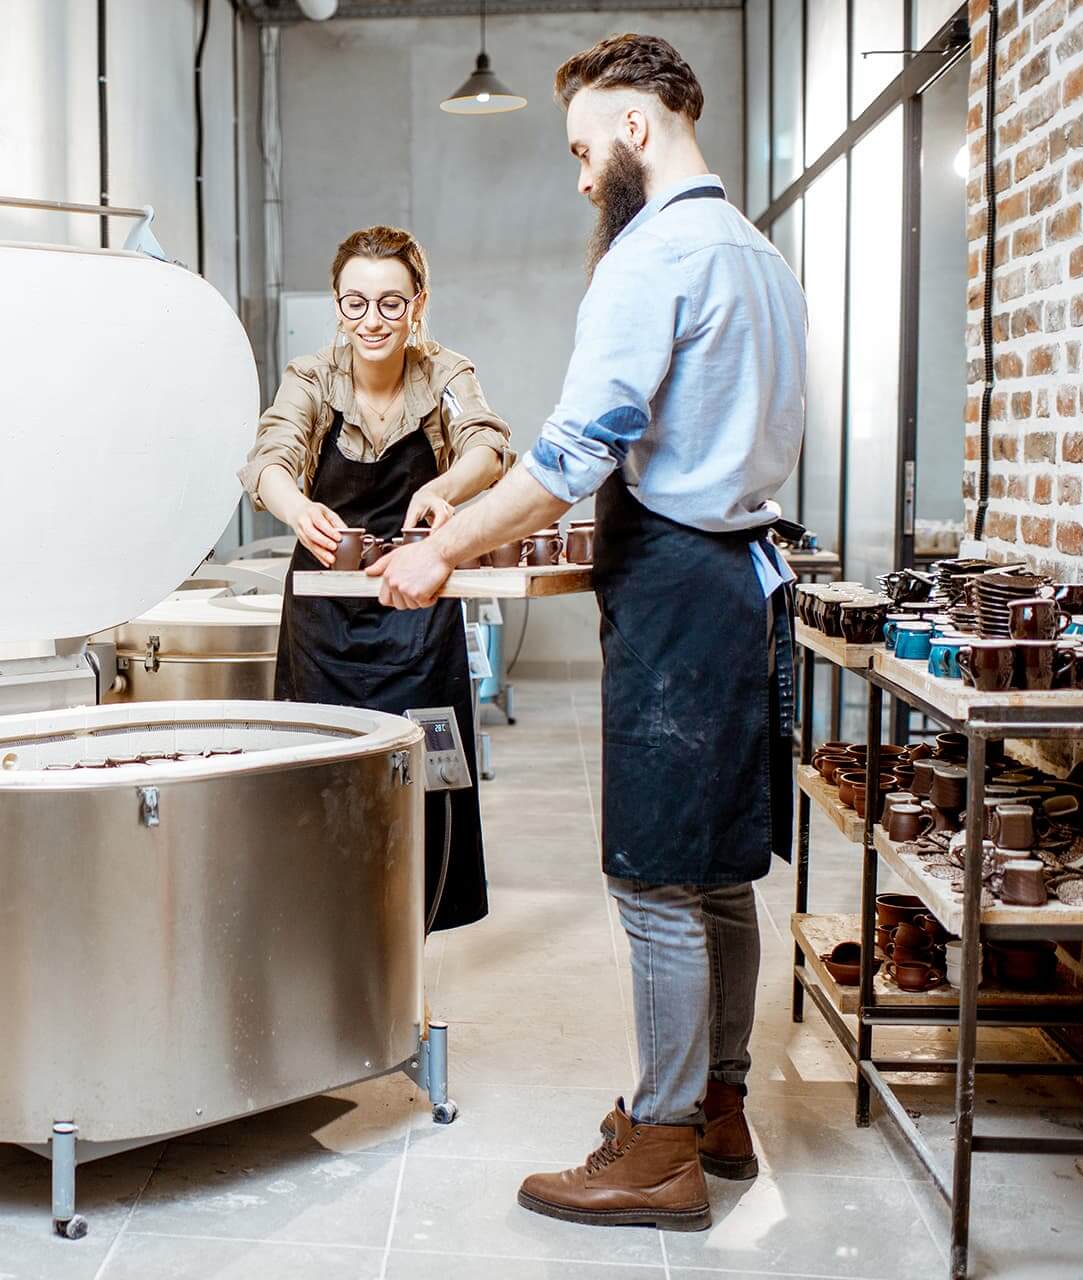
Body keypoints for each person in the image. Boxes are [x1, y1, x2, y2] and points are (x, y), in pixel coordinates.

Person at [370, 34, 807, 1231]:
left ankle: (659, 1149)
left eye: (580, 148)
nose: (578, 179)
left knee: (654, 877)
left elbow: (575, 451)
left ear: (635, 126)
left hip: (677, 589)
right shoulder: (762, 255)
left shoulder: (650, 252)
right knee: (718, 872)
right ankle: (719, 1109)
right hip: (746, 579)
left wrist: (443, 548)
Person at [241, 225, 513, 932]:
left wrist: (445, 488)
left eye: (391, 303)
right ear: (337, 304)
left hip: (417, 614)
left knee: (422, 789)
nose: (373, 321)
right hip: (324, 627)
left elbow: (487, 447)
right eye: (355, 303)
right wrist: (298, 507)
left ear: (418, 304)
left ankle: (407, 944)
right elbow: (270, 460)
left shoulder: (443, 374)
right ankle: (329, 949)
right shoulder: (311, 377)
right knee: (321, 785)